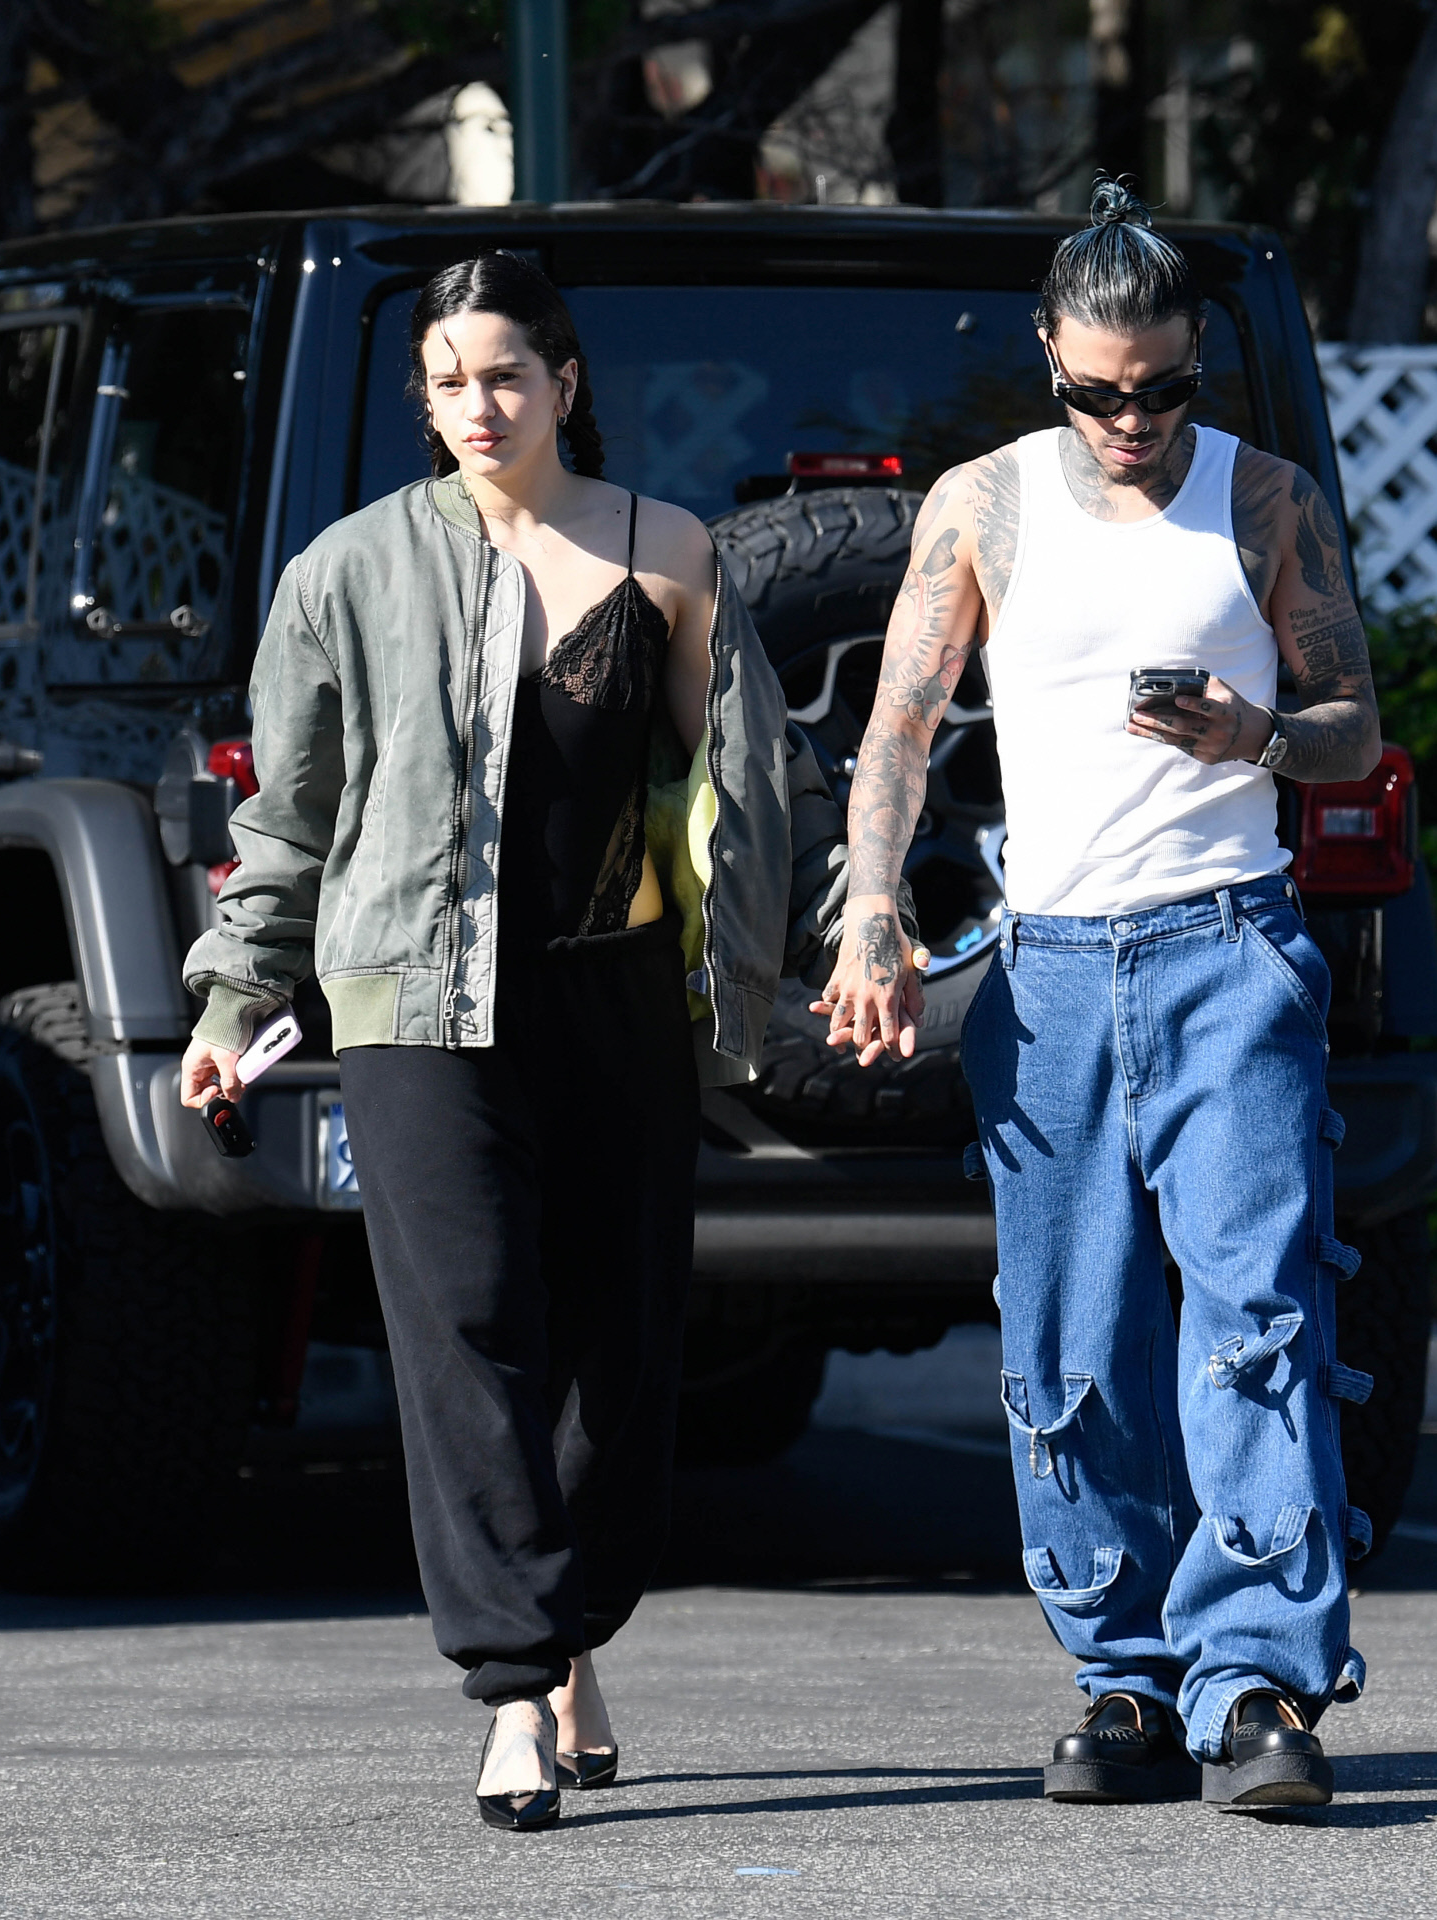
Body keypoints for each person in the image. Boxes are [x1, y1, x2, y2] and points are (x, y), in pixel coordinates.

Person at [180, 252, 851, 1832]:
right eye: (448, 378)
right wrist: (231, 1003)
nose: (478, 405)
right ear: (422, 396)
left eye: (507, 374)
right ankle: (507, 1683)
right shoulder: (346, 571)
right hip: (414, 1003)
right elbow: (287, 821)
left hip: (610, 996)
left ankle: (571, 1638)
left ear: (566, 383)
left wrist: (811, 955)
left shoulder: (667, 552)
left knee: (619, 1344)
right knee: (470, 1330)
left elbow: (750, 789)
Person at [815, 175, 1380, 1814]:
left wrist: (1255, 737)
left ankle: (1260, 1682)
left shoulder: (1264, 500)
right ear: (1050, 354)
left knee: (1256, 1320)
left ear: (1196, 355)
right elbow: (902, 730)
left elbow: (1352, 720)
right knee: (1067, 1338)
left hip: (1228, 950)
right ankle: (1121, 1679)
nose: (1134, 420)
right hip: (1046, 970)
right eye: (1099, 391)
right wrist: (868, 923)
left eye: (1165, 388)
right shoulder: (983, 504)